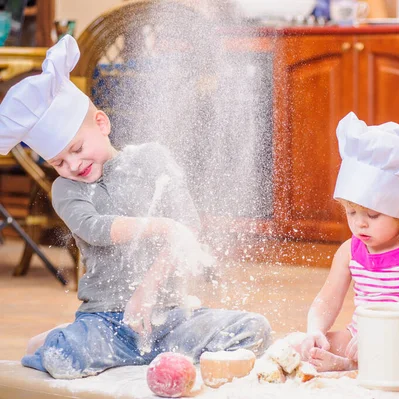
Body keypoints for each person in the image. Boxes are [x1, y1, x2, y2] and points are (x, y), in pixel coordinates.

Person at [0, 35, 271, 379]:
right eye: (58, 161)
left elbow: (187, 225)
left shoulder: (154, 159)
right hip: (108, 321)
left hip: (170, 316)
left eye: (78, 148)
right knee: (60, 357)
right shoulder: (66, 190)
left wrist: (148, 289)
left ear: (101, 124)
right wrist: (161, 226)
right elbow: (96, 229)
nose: (72, 164)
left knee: (253, 329)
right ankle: (64, 339)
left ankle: (148, 352)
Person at [298, 112, 399, 372]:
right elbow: (328, 300)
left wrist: (382, 338)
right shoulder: (349, 251)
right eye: (351, 213)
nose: (360, 223)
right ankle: (352, 361)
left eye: (372, 215)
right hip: (360, 338)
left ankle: (350, 365)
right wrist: (314, 330)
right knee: (300, 347)